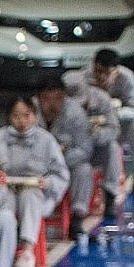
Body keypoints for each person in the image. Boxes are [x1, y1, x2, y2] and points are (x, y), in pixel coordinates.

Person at [0, 95, 68, 267]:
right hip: (6, 190)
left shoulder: (46, 140)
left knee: (30, 195)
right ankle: (5, 249)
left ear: (34, 116)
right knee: (3, 209)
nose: (22, 121)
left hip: (37, 193)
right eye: (16, 116)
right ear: (9, 118)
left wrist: (48, 182)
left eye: (27, 115)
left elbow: (61, 174)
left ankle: (27, 250)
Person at [34, 77, 94, 240]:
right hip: (35, 165)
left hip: (67, 162)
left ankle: (77, 217)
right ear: (38, 98)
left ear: (64, 96)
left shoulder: (76, 114)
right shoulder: (28, 112)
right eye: (47, 99)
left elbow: (84, 149)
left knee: (84, 169)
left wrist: (58, 159)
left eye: (58, 98)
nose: (52, 104)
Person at [63, 69, 123, 218]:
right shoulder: (56, 106)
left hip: (94, 149)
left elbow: (114, 129)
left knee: (112, 148)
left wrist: (96, 135)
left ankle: (110, 196)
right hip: (69, 154)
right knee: (83, 169)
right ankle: (77, 214)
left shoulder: (102, 99)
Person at [84, 48, 134, 177]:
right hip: (89, 124)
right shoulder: (83, 76)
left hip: (116, 122)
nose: (101, 77)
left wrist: (112, 114)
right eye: (98, 71)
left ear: (116, 71)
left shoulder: (127, 77)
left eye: (107, 73)